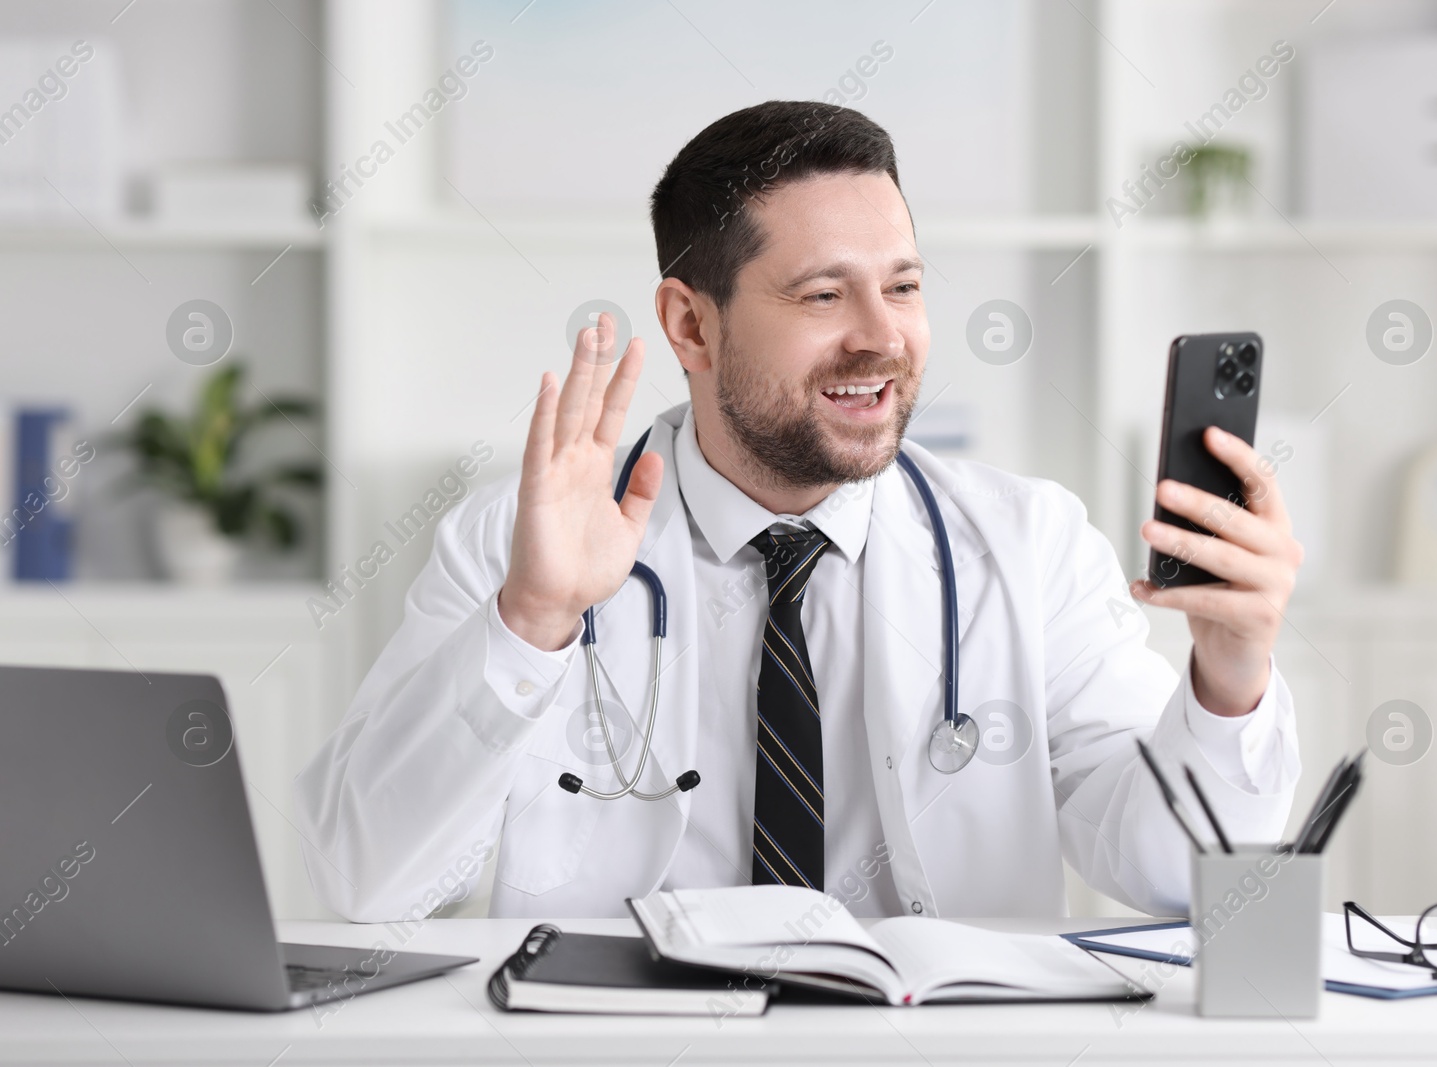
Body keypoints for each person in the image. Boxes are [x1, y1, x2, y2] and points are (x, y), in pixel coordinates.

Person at [293, 101, 1304, 923]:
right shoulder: (514, 548)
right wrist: (532, 624)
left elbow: (1177, 879)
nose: (883, 339)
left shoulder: (1026, 545)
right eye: (824, 296)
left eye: (902, 287)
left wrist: (1228, 676)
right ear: (692, 322)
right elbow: (368, 880)